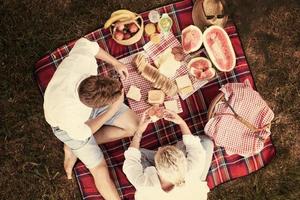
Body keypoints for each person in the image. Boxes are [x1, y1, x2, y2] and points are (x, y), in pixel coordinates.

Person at [43, 38, 138, 200]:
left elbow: (87, 44)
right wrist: (112, 110)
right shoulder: (69, 116)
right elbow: (86, 131)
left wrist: (116, 63)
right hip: (69, 127)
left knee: (133, 126)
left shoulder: (83, 62)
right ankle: (72, 146)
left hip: (83, 111)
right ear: (96, 106)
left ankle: (77, 148)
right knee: (100, 169)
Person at [122, 109, 214, 200]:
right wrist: (181, 122)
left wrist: (139, 132)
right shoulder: (194, 169)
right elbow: (194, 147)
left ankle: (164, 157)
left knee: (138, 153)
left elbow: (131, 159)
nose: (159, 147)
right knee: (206, 142)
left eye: (159, 150)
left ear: (157, 170)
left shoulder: (144, 185)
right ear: (184, 161)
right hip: (191, 190)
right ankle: (167, 157)